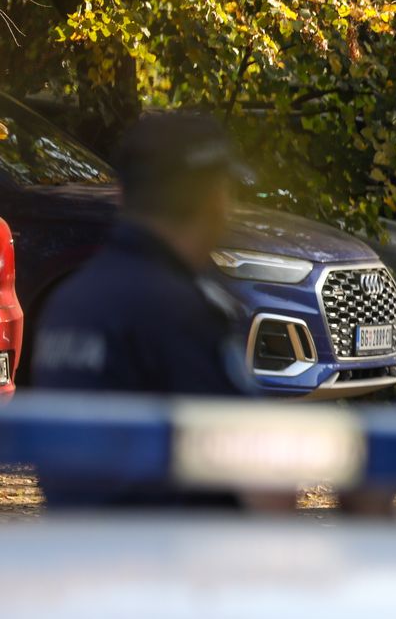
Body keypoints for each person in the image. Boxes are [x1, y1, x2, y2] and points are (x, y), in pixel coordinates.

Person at [32, 112, 253, 506]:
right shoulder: (184, 312)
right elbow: (254, 476)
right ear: (215, 198)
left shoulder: (68, 302)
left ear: (121, 194)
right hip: (171, 560)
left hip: (76, 556)